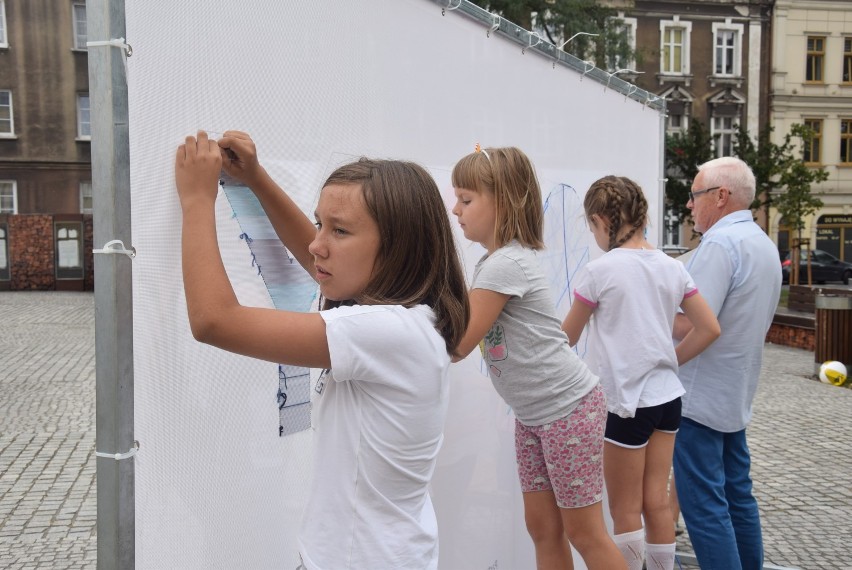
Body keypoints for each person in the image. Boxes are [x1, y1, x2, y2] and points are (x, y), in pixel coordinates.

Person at [174, 130, 470, 570]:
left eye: (340, 230)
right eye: (320, 223)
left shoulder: (386, 332)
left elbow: (214, 321)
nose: (317, 244)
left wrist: (197, 199)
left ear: (397, 248)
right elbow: (318, 259)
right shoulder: (410, 320)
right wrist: (256, 179)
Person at [451, 145, 626, 570]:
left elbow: (457, 345)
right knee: (542, 528)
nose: (455, 210)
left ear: (503, 201)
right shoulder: (495, 261)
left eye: (466, 199)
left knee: (584, 532)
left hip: (566, 410)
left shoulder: (503, 265)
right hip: (535, 415)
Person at [560, 175, 720, 570]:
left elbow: (567, 336)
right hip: (667, 400)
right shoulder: (672, 267)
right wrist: (669, 361)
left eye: (592, 227)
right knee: (657, 501)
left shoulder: (599, 272)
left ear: (601, 220)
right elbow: (710, 328)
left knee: (625, 509)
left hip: (624, 403)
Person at [671, 156, 782, 570]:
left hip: (699, 395)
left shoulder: (720, 244)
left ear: (720, 196)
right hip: (733, 394)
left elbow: (692, 324)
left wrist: (649, 311)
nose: (689, 205)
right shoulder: (761, 242)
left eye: (695, 195)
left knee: (705, 507)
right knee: (737, 497)